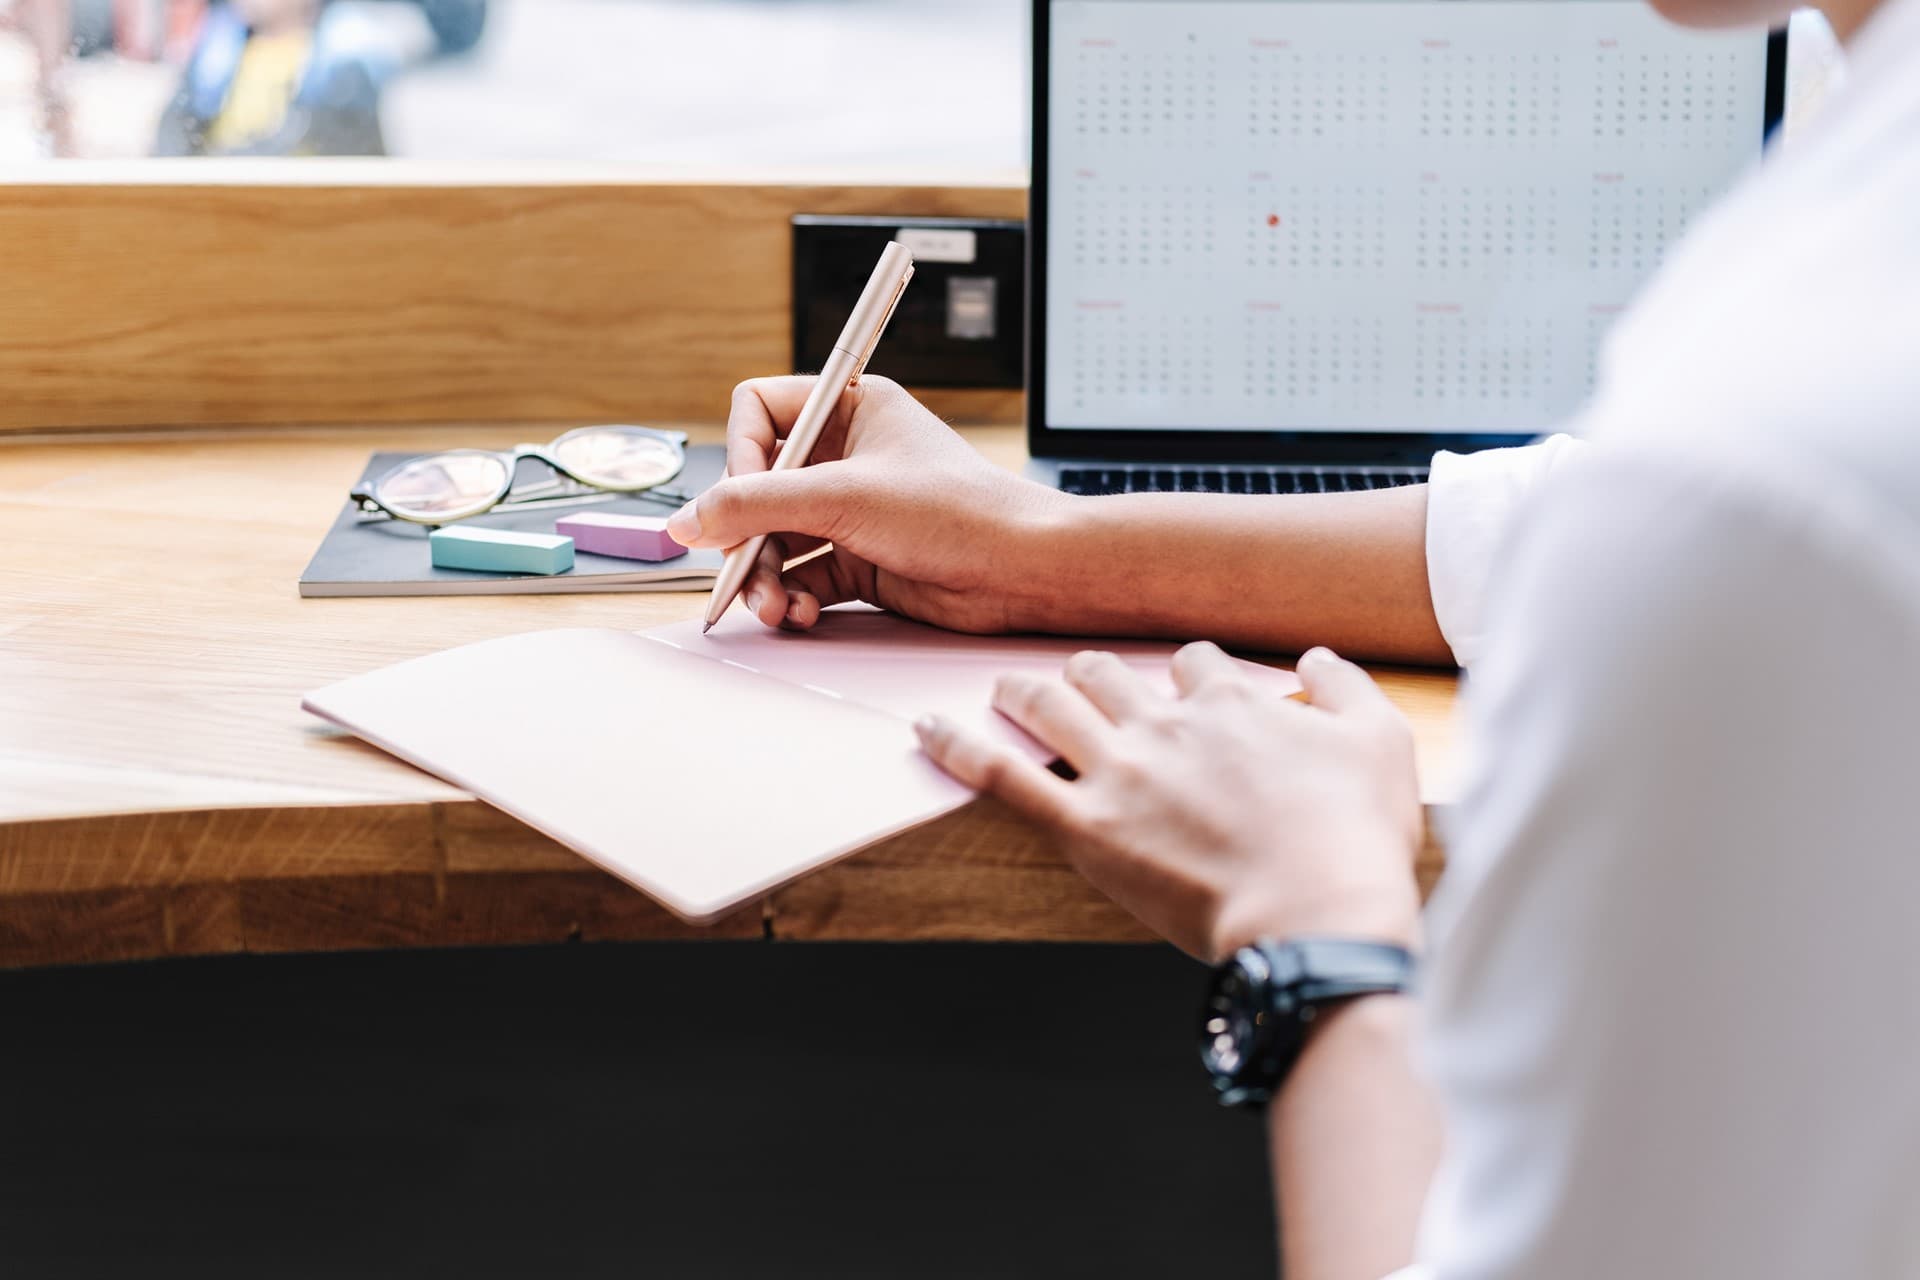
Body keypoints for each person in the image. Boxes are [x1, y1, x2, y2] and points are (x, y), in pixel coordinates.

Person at [666, 0, 1920, 1271]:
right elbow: (1579, 513)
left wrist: (1316, 918)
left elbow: (1704, 513)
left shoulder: (1792, 449)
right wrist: (1032, 551)